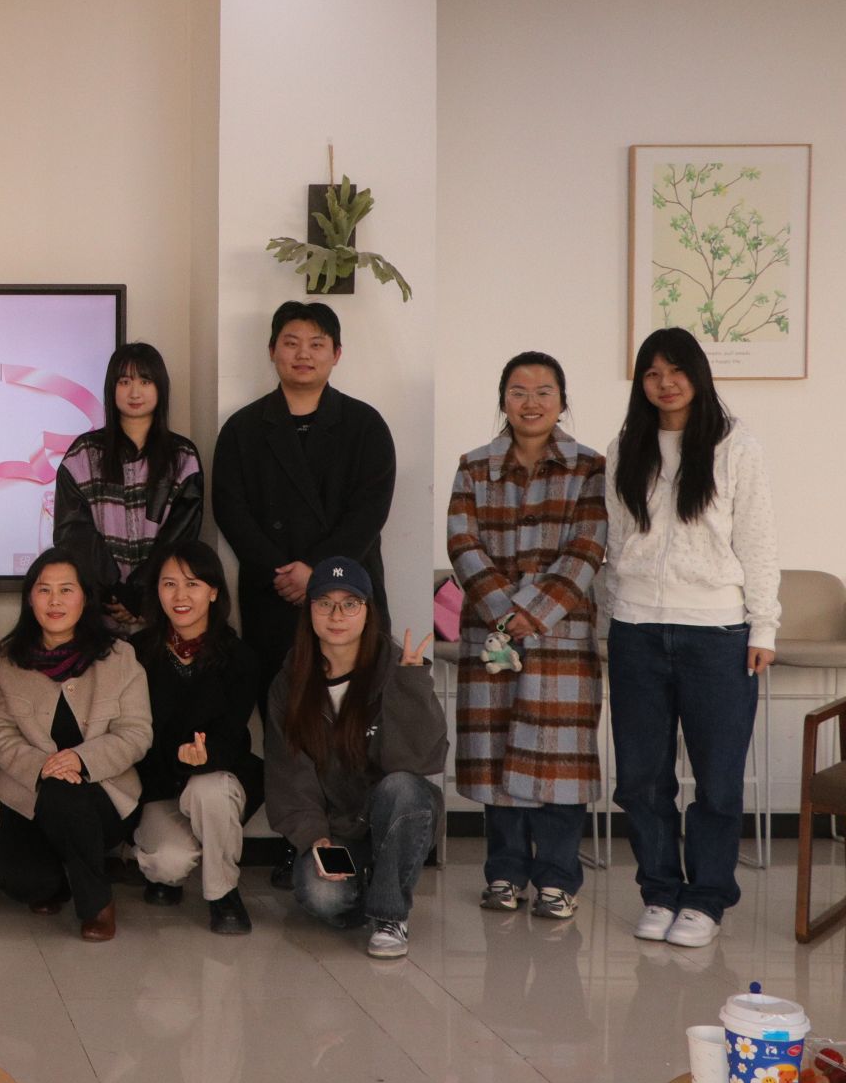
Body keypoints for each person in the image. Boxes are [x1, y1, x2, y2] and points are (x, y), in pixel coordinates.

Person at [604, 327, 778, 949]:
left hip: (717, 633)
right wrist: (608, 622)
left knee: (718, 780)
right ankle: (659, 891)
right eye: (652, 373)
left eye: (676, 370)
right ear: (641, 383)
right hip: (636, 630)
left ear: (698, 374)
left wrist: (764, 624)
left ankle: (705, 898)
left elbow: (757, 541)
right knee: (641, 779)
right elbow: (615, 542)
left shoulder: (736, 446)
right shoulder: (625, 446)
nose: (666, 383)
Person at [212, 300, 395, 889]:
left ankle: (362, 837)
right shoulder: (243, 428)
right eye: (291, 342)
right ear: (272, 350)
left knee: (354, 714)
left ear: (337, 354)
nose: (303, 354)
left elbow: (371, 508)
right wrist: (284, 572)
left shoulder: (365, 426)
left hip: (346, 596)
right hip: (275, 595)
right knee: (289, 718)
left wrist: (316, 572)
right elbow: (231, 510)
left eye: (317, 344)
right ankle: (300, 840)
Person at [447, 351, 607, 922]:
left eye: (544, 392)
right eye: (518, 391)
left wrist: (534, 612)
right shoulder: (473, 466)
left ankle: (558, 880)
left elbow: (588, 547)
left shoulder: (590, 467)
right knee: (498, 761)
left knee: (561, 766)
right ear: (503, 400)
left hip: (561, 635)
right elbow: (462, 544)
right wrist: (504, 611)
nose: (531, 402)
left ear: (562, 401)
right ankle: (504, 874)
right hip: (493, 633)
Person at [266, 557, 444, 960]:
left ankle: (389, 916)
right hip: (337, 829)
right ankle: (376, 885)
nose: (337, 615)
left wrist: (411, 686)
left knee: (402, 786)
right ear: (309, 610)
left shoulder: (396, 667)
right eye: (324, 603)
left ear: (368, 612)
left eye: (350, 604)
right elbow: (289, 774)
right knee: (322, 896)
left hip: (392, 817)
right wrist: (315, 837)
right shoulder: (290, 683)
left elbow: (416, 764)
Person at [0, 549, 152, 942]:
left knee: (65, 794)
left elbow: (136, 733)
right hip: (28, 795)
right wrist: (41, 766)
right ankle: (69, 871)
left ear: (85, 597)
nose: (55, 601)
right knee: (25, 884)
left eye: (66, 590)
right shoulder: (7, 660)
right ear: (30, 598)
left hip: (104, 797)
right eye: (44, 590)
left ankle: (97, 904)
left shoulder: (120, 657)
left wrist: (79, 759)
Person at [129, 538, 262, 935]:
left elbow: (232, 733)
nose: (180, 596)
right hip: (160, 784)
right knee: (168, 864)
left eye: (193, 584)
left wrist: (203, 756)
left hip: (216, 775)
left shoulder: (239, 657)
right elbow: (131, 732)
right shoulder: (136, 652)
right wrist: (176, 758)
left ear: (214, 591)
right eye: (169, 584)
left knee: (208, 790)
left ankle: (224, 894)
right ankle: (174, 860)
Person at [53, 342, 203, 634]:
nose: (135, 392)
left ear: (160, 388)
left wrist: (140, 592)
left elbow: (181, 534)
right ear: (112, 388)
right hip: (99, 607)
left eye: (145, 381)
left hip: (161, 605)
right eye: (124, 382)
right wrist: (114, 591)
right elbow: (73, 532)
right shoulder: (84, 453)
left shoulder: (182, 456)